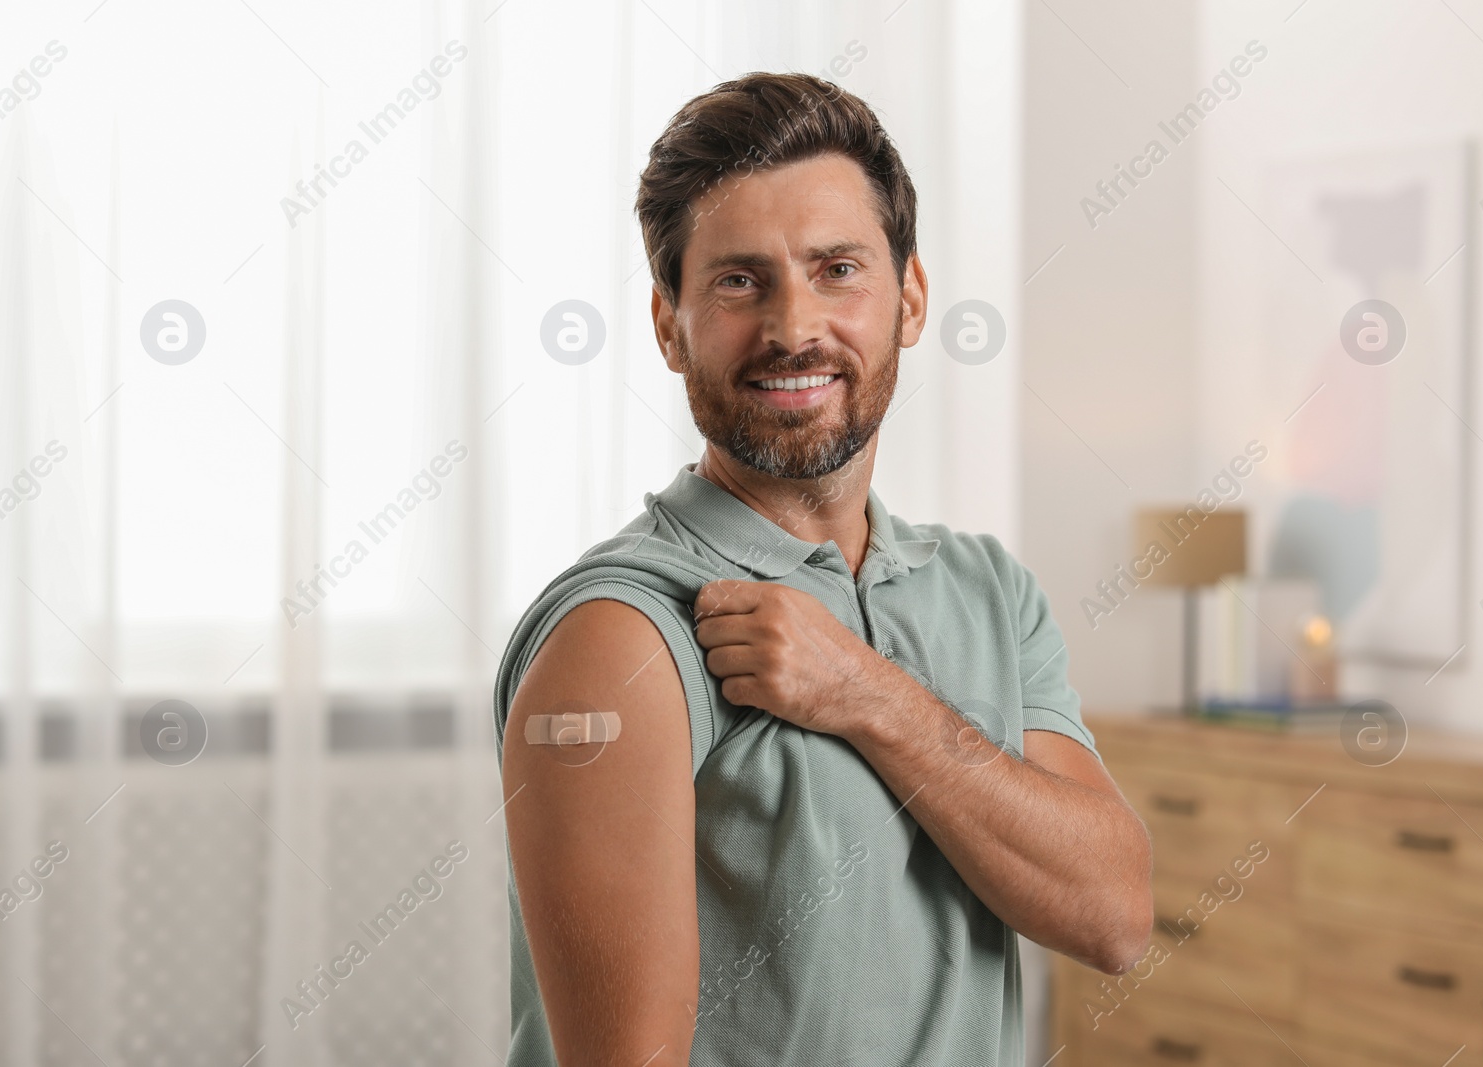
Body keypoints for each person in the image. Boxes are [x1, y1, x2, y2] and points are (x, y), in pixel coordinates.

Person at [493, 71, 1152, 1067]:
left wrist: (864, 692)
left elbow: (1113, 914)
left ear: (911, 298)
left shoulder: (987, 591)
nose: (795, 326)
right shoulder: (620, 638)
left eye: (837, 269)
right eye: (737, 280)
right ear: (668, 325)